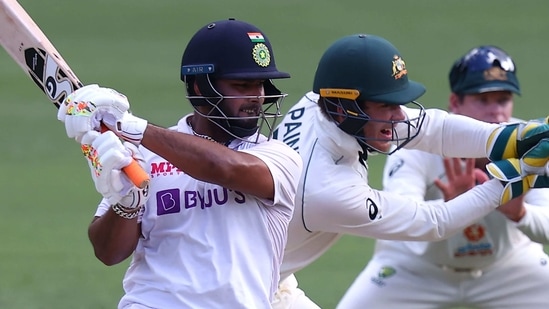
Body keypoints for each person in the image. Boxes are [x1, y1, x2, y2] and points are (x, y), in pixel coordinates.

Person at [270, 34, 549, 308]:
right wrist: (513, 178)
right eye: (387, 105)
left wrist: (512, 138)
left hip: (272, 272)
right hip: (251, 287)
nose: (401, 116)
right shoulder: (326, 189)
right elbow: (435, 221)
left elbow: (432, 129)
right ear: (346, 109)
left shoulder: (320, 105)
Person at [57, 18, 303, 309]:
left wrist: (129, 126)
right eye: (242, 85)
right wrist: (126, 203)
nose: (257, 97)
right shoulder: (146, 154)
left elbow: (223, 168)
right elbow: (107, 252)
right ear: (200, 86)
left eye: (260, 85)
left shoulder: (279, 157)